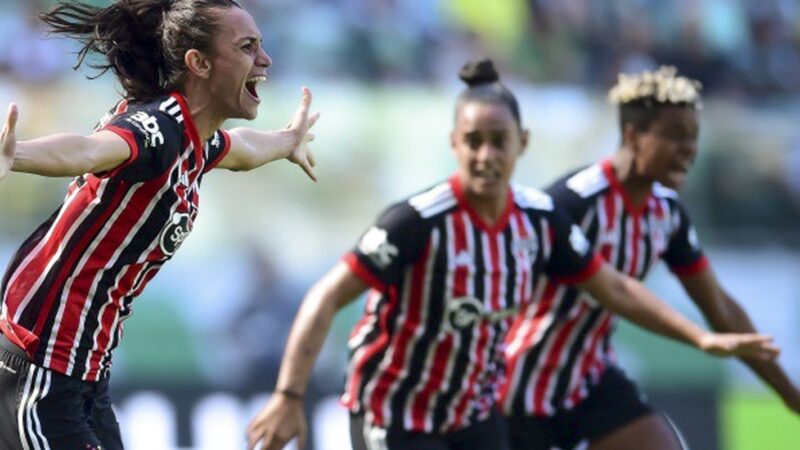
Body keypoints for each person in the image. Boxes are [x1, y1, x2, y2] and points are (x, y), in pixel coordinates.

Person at [244, 59, 778, 450]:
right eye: (473, 140)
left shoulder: (542, 219)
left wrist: (700, 336)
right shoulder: (418, 220)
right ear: (454, 143)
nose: (486, 154)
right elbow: (325, 296)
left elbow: (613, 287)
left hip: (475, 410)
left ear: (521, 143)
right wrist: (289, 395)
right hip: (398, 408)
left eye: (498, 141)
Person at [0, 1, 318, 448]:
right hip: (43, 363)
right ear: (199, 63)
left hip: (83, 372)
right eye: (248, 47)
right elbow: (91, 150)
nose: (265, 60)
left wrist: (287, 142)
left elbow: (243, 150)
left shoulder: (195, 140)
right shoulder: (157, 128)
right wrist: (19, 155)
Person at [499, 66, 800, 450]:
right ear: (632, 136)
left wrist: (789, 393)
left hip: (589, 380)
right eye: (675, 135)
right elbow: (509, 275)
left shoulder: (667, 214)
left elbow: (719, 306)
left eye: (693, 137)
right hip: (520, 386)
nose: (688, 149)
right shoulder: (573, 201)